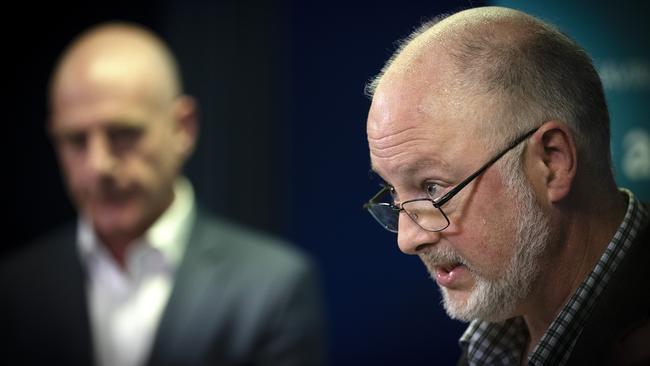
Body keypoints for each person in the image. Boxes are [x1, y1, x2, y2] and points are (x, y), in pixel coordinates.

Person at [0, 22, 325, 366]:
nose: (99, 165)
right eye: (76, 141)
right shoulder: (13, 291)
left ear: (183, 128)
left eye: (124, 133)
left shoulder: (272, 288)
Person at [363, 6, 649, 365]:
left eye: (433, 188)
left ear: (552, 162)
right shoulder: (494, 339)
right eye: (393, 191)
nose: (407, 239)